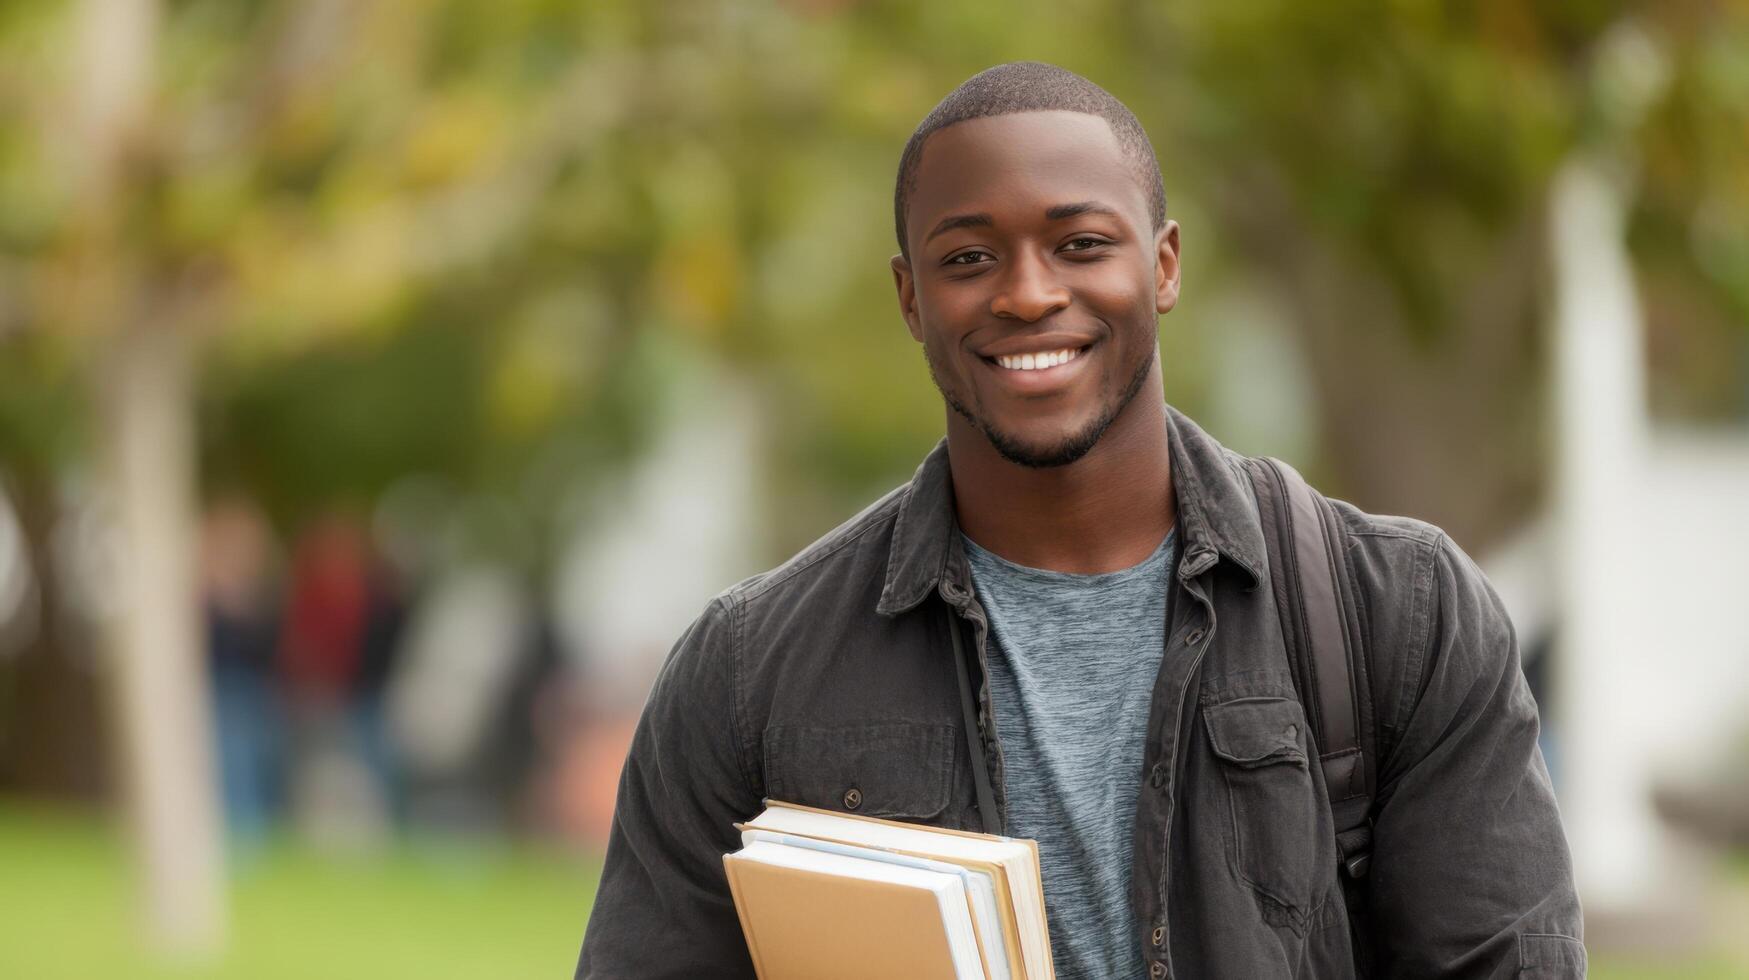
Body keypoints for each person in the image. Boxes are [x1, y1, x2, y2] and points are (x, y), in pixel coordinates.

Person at [575, 62, 1583, 979]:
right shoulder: (750, 670)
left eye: (1081, 244)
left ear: (1165, 265)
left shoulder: (1399, 614)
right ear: (910, 297)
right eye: (968, 256)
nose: (1027, 292)